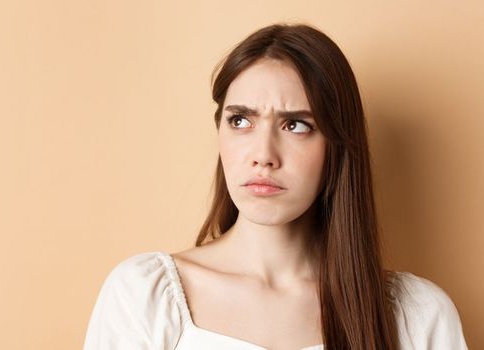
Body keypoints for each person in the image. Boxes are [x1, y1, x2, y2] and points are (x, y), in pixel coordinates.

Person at [82, 23, 469, 350]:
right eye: (240, 121)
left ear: (337, 146)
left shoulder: (417, 317)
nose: (263, 155)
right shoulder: (143, 296)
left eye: (296, 125)